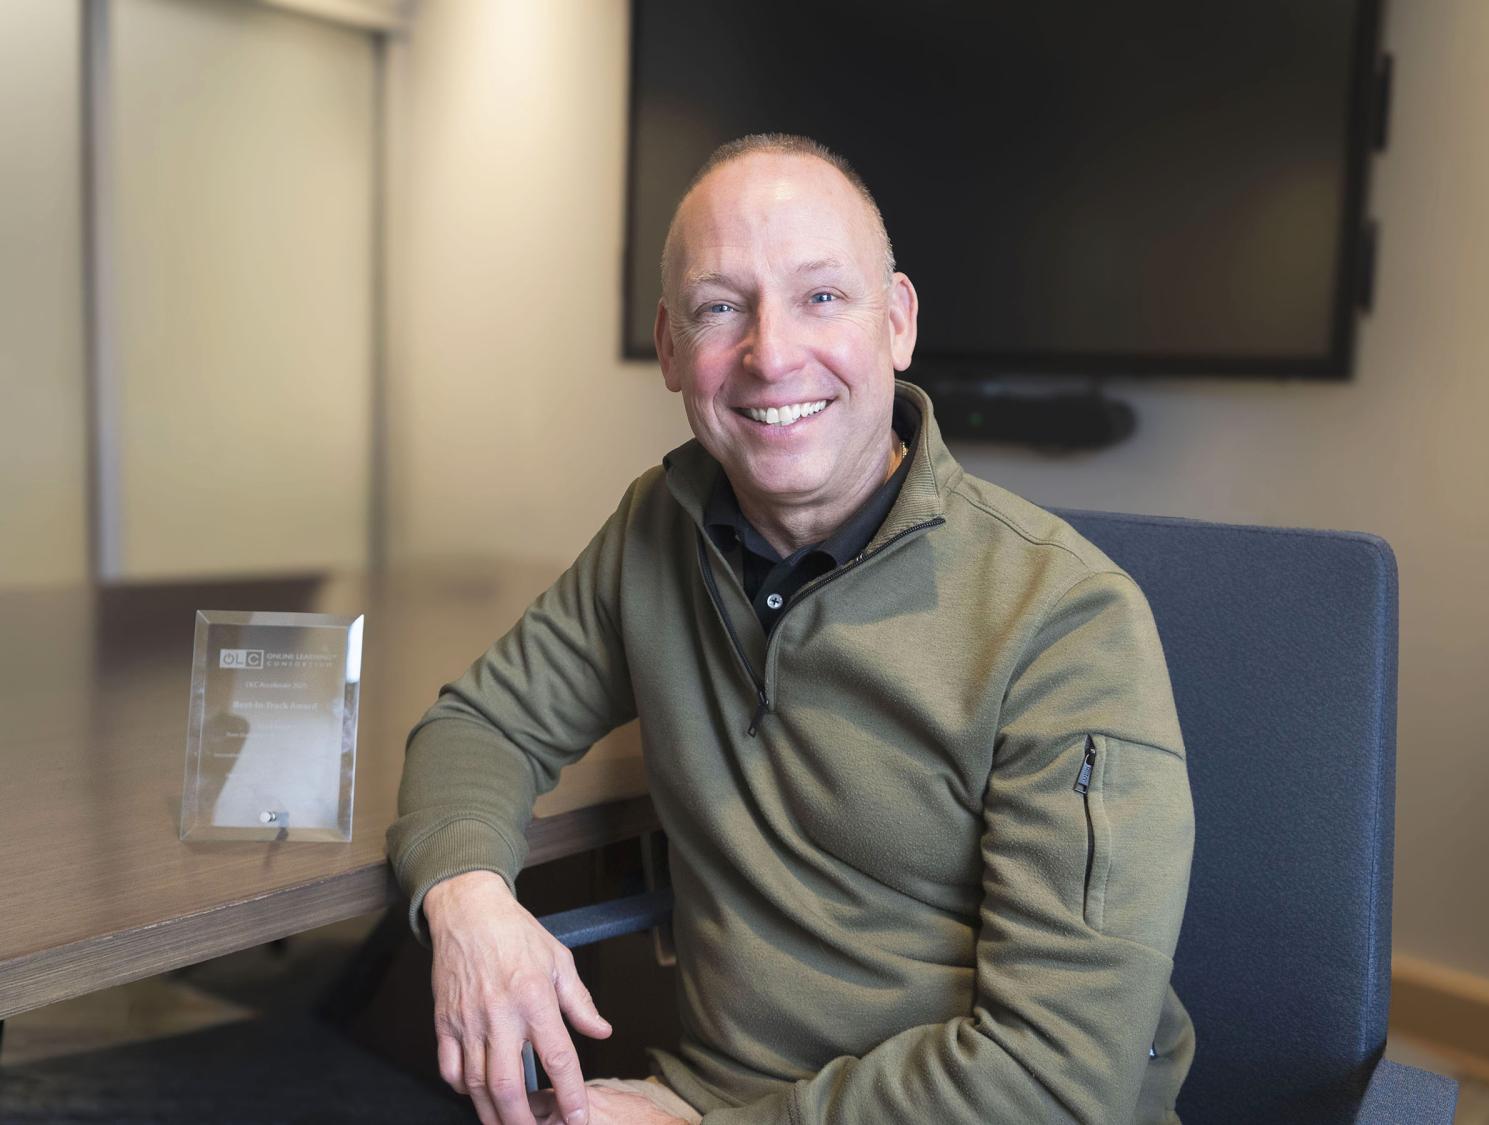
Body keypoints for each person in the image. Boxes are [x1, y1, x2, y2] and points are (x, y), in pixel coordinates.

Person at [387, 133, 1195, 1125]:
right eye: (721, 307)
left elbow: (1059, 1081)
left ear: (896, 324)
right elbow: (479, 726)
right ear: (670, 348)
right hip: (711, 1094)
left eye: (821, 297)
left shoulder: (1064, 620)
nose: (771, 355)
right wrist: (468, 901)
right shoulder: (659, 526)